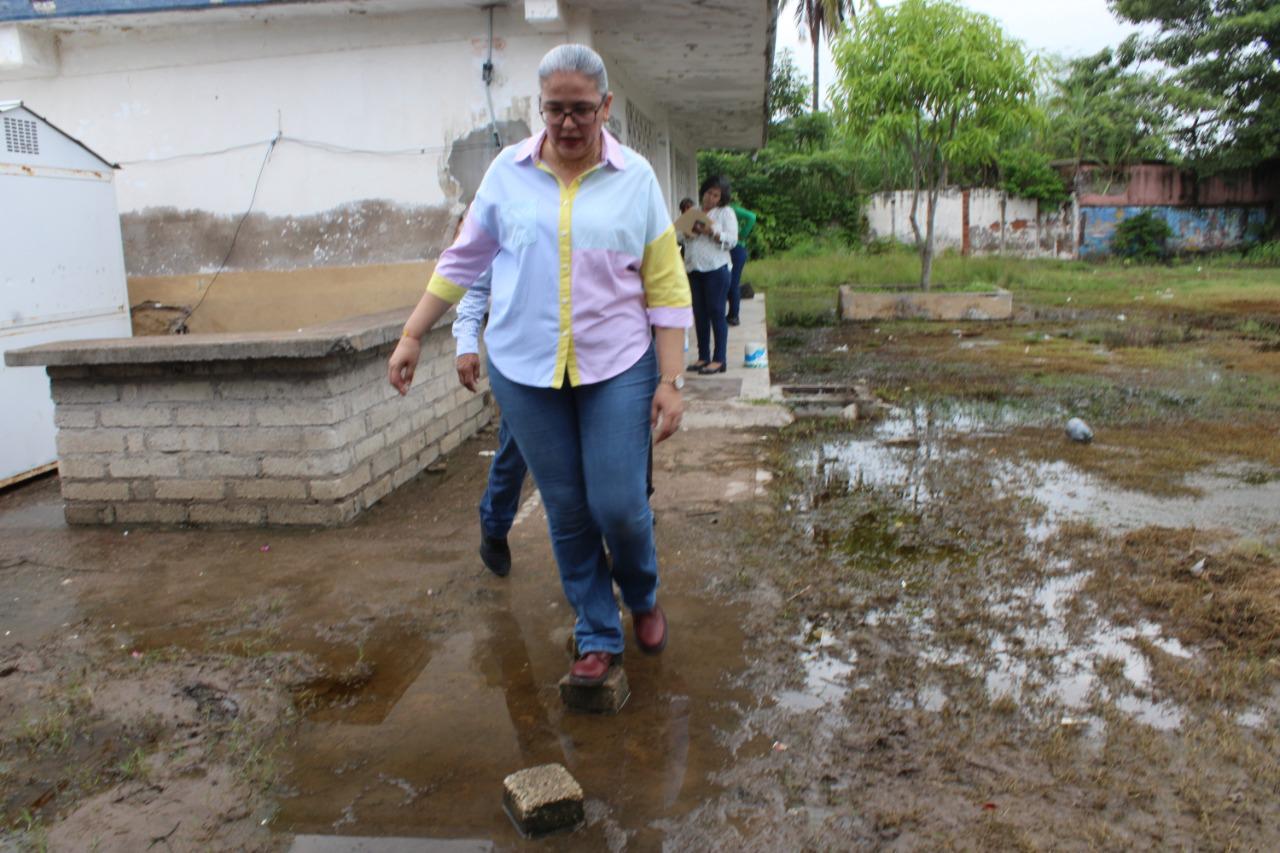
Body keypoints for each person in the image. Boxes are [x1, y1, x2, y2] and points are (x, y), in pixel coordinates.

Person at [388, 43, 691, 688]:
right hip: (526, 372)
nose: (569, 124)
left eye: (583, 109)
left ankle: (640, 592)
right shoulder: (507, 173)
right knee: (567, 509)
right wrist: (415, 333)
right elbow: (463, 259)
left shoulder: (636, 179)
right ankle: (597, 633)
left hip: (618, 366)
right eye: (556, 109)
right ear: (540, 108)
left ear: (606, 106)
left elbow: (666, 287)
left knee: (619, 503)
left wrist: (670, 380)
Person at [453, 268, 524, 578]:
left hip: (586, 356)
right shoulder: (500, 218)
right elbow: (476, 286)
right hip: (519, 358)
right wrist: (466, 344)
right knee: (518, 445)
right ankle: (494, 521)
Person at [683, 176, 738, 374]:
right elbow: (679, 236)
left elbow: (732, 241)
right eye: (708, 193)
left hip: (716, 268)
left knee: (716, 312)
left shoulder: (725, 213)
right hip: (694, 268)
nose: (710, 198)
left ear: (721, 198)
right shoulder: (694, 211)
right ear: (703, 191)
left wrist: (712, 232)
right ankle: (703, 356)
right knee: (700, 314)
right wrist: (686, 233)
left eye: (716, 195)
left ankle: (719, 359)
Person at [727, 203, 757, 326]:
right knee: (729, 283)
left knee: (733, 283)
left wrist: (742, 234)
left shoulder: (731, 209)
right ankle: (731, 314)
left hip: (737, 248)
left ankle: (734, 316)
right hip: (729, 250)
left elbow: (752, 216)